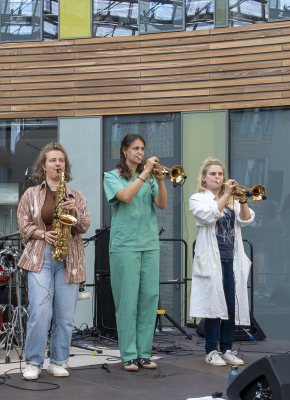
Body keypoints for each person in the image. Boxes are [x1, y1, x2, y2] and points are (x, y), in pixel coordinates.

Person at [16, 142, 91, 380]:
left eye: (61, 160)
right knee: (39, 311)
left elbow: (85, 225)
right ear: (44, 166)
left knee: (66, 315)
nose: (58, 164)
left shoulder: (75, 195)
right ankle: (34, 361)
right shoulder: (31, 194)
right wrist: (42, 233)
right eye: (53, 160)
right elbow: (23, 225)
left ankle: (58, 360)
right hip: (41, 256)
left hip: (69, 258)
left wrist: (75, 212)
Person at [102, 133, 167, 371]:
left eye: (143, 149)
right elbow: (125, 197)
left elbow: (162, 204)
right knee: (127, 301)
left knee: (149, 298)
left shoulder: (148, 178)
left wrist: (159, 180)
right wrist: (145, 172)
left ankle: (144, 353)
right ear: (125, 151)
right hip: (125, 245)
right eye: (136, 149)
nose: (140, 153)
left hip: (149, 243)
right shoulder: (112, 176)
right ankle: (128, 354)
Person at [189, 158, 255, 367]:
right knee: (213, 306)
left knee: (230, 306)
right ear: (204, 178)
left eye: (220, 174)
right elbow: (209, 216)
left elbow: (246, 220)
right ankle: (211, 350)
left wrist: (243, 200)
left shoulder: (233, 201)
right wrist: (226, 193)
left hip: (232, 259)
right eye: (213, 174)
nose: (217, 177)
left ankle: (227, 348)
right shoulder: (198, 198)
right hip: (211, 260)